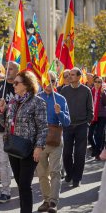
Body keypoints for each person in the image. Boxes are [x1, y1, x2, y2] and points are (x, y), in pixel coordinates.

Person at [0, 70, 48, 213]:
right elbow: (6, 124)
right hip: (13, 146)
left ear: (26, 85)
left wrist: (39, 147)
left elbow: (43, 127)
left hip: (29, 149)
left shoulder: (38, 102)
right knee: (21, 184)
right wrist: (2, 111)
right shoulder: (13, 101)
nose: (13, 85)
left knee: (25, 184)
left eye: (16, 83)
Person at [36, 71, 70, 213]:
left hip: (56, 140)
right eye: (46, 81)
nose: (49, 84)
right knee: (42, 173)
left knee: (55, 172)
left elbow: (67, 122)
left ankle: (53, 202)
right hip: (40, 141)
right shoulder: (37, 98)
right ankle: (46, 200)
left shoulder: (61, 99)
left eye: (52, 81)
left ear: (56, 82)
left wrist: (60, 113)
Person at [60, 67, 94, 187]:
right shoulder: (64, 90)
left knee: (80, 154)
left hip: (82, 126)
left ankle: (77, 178)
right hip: (68, 126)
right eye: (69, 75)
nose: (69, 77)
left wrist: (87, 123)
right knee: (66, 153)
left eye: (72, 75)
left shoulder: (86, 91)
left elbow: (90, 109)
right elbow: (61, 108)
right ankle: (69, 173)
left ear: (79, 77)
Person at [0, 61, 19, 203]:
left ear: (17, 71)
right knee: (3, 161)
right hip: (3, 129)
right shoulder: (1, 85)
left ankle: (23, 188)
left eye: (11, 68)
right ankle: (5, 191)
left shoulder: (21, 85)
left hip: (18, 131)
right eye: (7, 68)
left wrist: (8, 106)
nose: (8, 71)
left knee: (18, 161)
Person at [88, 76, 106, 160]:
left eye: (99, 82)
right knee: (90, 135)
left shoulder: (103, 92)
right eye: (96, 81)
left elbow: (105, 103)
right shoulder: (90, 91)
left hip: (102, 116)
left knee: (99, 134)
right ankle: (96, 149)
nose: (98, 83)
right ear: (93, 82)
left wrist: (103, 94)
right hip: (92, 115)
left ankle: (98, 152)